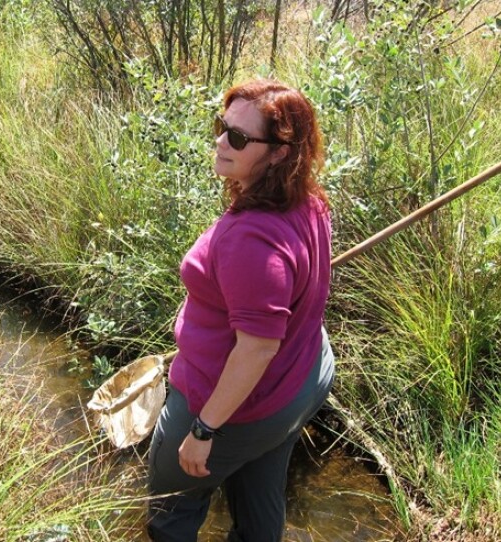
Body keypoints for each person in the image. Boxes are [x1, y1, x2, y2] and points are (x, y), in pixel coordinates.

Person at [147, 79, 336, 542]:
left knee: (172, 508)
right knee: (259, 501)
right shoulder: (309, 202)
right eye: (221, 127)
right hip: (302, 380)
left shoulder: (250, 240)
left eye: (237, 138)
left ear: (277, 154)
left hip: (234, 405)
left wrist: (204, 428)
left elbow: (256, 349)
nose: (219, 141)